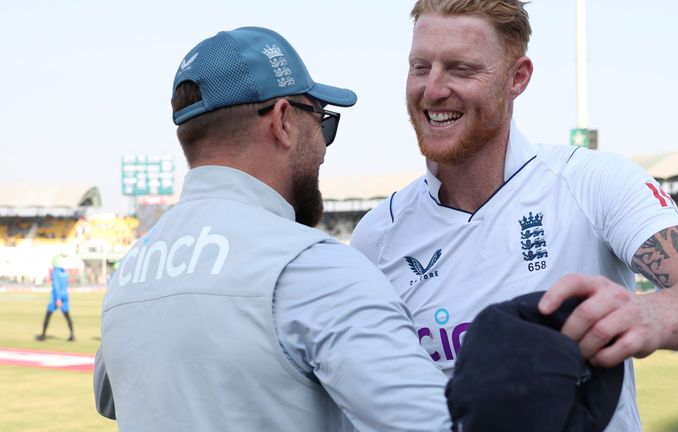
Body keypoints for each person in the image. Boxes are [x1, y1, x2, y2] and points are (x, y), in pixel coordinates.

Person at [350, 1, 678, 431]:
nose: (432, 90)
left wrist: (649, 317)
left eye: (460, 69)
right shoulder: (376, 237)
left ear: (517, 77)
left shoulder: (593, 181)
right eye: (420, 67)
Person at [93, 26, 450, 432]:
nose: (322, 149)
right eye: (322, 122)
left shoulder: (132, 270)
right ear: (283, 120)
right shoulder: (317, 269)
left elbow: (112, 396)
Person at [36, 254, 75, 341]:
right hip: (65, 296)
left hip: (56, 297)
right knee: (67, 315)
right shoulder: (64, 273)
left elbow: (56, 286)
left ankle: (42, 335)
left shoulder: (55, 273)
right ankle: (72, 335)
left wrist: (58, 299)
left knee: (48, 315)